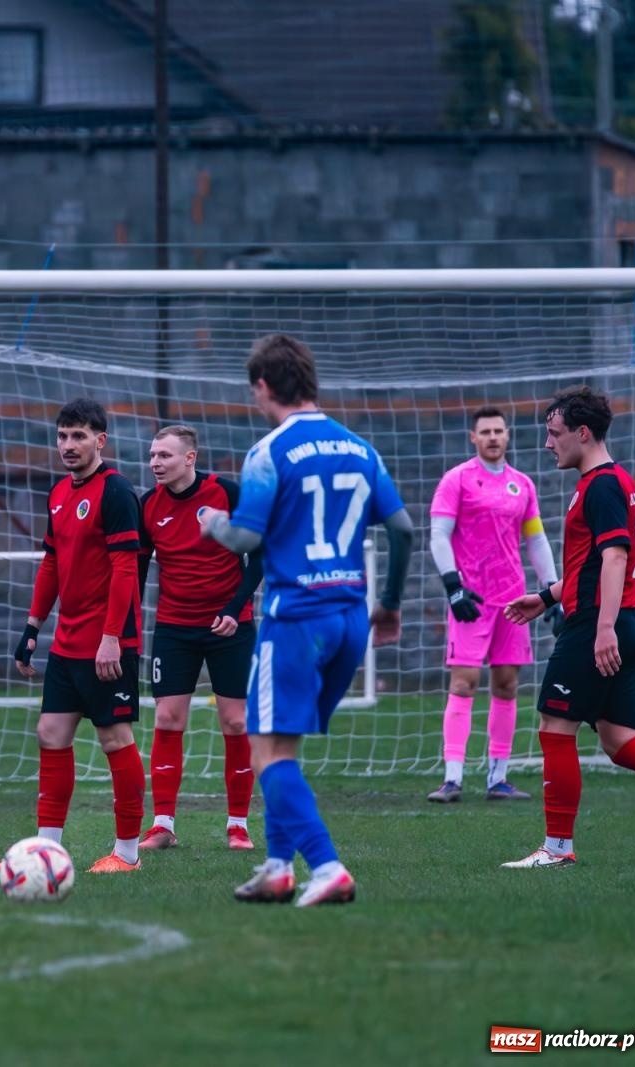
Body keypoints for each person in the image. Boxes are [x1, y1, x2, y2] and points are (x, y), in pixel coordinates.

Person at [200, 334, 413, 907]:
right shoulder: (362, 449)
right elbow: (402, 530)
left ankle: (325, 866)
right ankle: (276, 867)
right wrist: (388, 604)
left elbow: (245, 537)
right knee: (282, 748)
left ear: (264, 386)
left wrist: (211, 521)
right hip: (350, 619)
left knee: (265, 751)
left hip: (294, 617)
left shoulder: (269, 451)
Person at [501, 387, 635, 869]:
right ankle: (557, 847)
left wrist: (602, 627)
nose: (548, 443)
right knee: (619, 742)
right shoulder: (614, 482)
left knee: (554, 725)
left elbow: (614, 557)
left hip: (597, 626)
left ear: (582, 433)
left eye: (554, 433)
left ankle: (557, 848)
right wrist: (546, 596)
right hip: (626, 622)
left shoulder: (601, 485)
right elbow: (592, 561)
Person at [0, 398, 148, 876]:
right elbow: (52, 564)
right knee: (51, 733)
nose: (68, 445)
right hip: (66, 640)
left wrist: (112, 638)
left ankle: (127, 853)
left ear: (100, 440)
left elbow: (127, 568)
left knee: (114, 737)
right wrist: (32, 627)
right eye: (63, 436)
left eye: (79, 436)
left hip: (108, 642)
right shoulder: (59, 493)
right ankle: (46, 850)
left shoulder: (117, 491)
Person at [137, 424, 262, 851]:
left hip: (231, 626)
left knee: (236, 721)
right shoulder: (148, 505)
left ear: (190, 458)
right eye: (153, 455)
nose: (156, 463)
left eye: (165, 456)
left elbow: (259, 554)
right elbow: (135, 570)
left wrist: (234, 608)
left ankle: (238, 825)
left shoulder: (226, 493)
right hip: (174, 627)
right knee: (169, 719)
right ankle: (163, 825)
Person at [427, 405, 557, 804]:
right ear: (473, 437)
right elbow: (439, 534)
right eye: (485, 432)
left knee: (507, 684)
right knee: (464, 682)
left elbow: (535, 540)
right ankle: (452, 779)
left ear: (508, 434)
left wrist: (551, 589)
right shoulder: (457, 480)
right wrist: (453, 586)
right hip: (471, 599)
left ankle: (498, 778)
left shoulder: (523, 485)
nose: (493, 437)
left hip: (513, 599)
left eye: (499, 431)